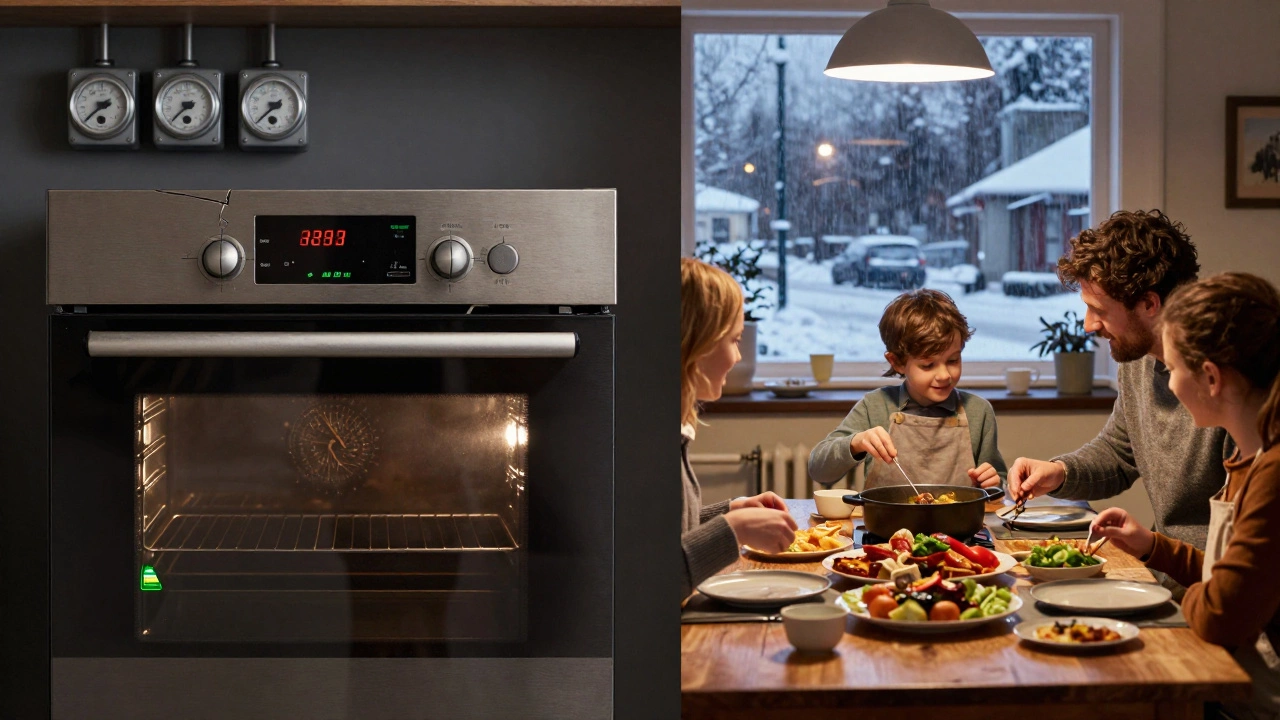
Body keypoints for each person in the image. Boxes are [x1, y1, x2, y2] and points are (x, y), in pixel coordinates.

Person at [1089, 273, 1280, 719]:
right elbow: (1238, 580)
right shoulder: (1248, 459)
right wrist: (1156, 549)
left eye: (1172, 369)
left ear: (1210, 378)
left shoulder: (1271, 473)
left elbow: (1223, 614)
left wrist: (1171, 596)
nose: (1169, 385)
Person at [1007, 210, 1231, 550]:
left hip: (1214, 585)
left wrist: (1154, 550)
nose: (1088, 325)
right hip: (1168, 572)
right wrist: (1060, 473)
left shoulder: (1233, 382)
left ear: (1149, 304)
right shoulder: (1137, 359)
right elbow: (1120, 453)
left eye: (1099, 309)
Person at [808, 289, 1006, 490]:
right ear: (897, 362)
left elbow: (998, 483)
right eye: (928, 365)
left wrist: (994, 483)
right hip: (886, 521)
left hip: (959, 522)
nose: (945, 375)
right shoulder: (875, 407)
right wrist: (855, 443)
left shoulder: (978, 412)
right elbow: (819, 471)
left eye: (953, 360)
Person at [681, 257, 797, 598]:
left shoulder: (663, 427)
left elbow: (661, 536)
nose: (737, 357)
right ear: (698, 344)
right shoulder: (644, 442)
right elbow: (647, 580)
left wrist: (728, 513)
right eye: (734, 339)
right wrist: (732, 530)